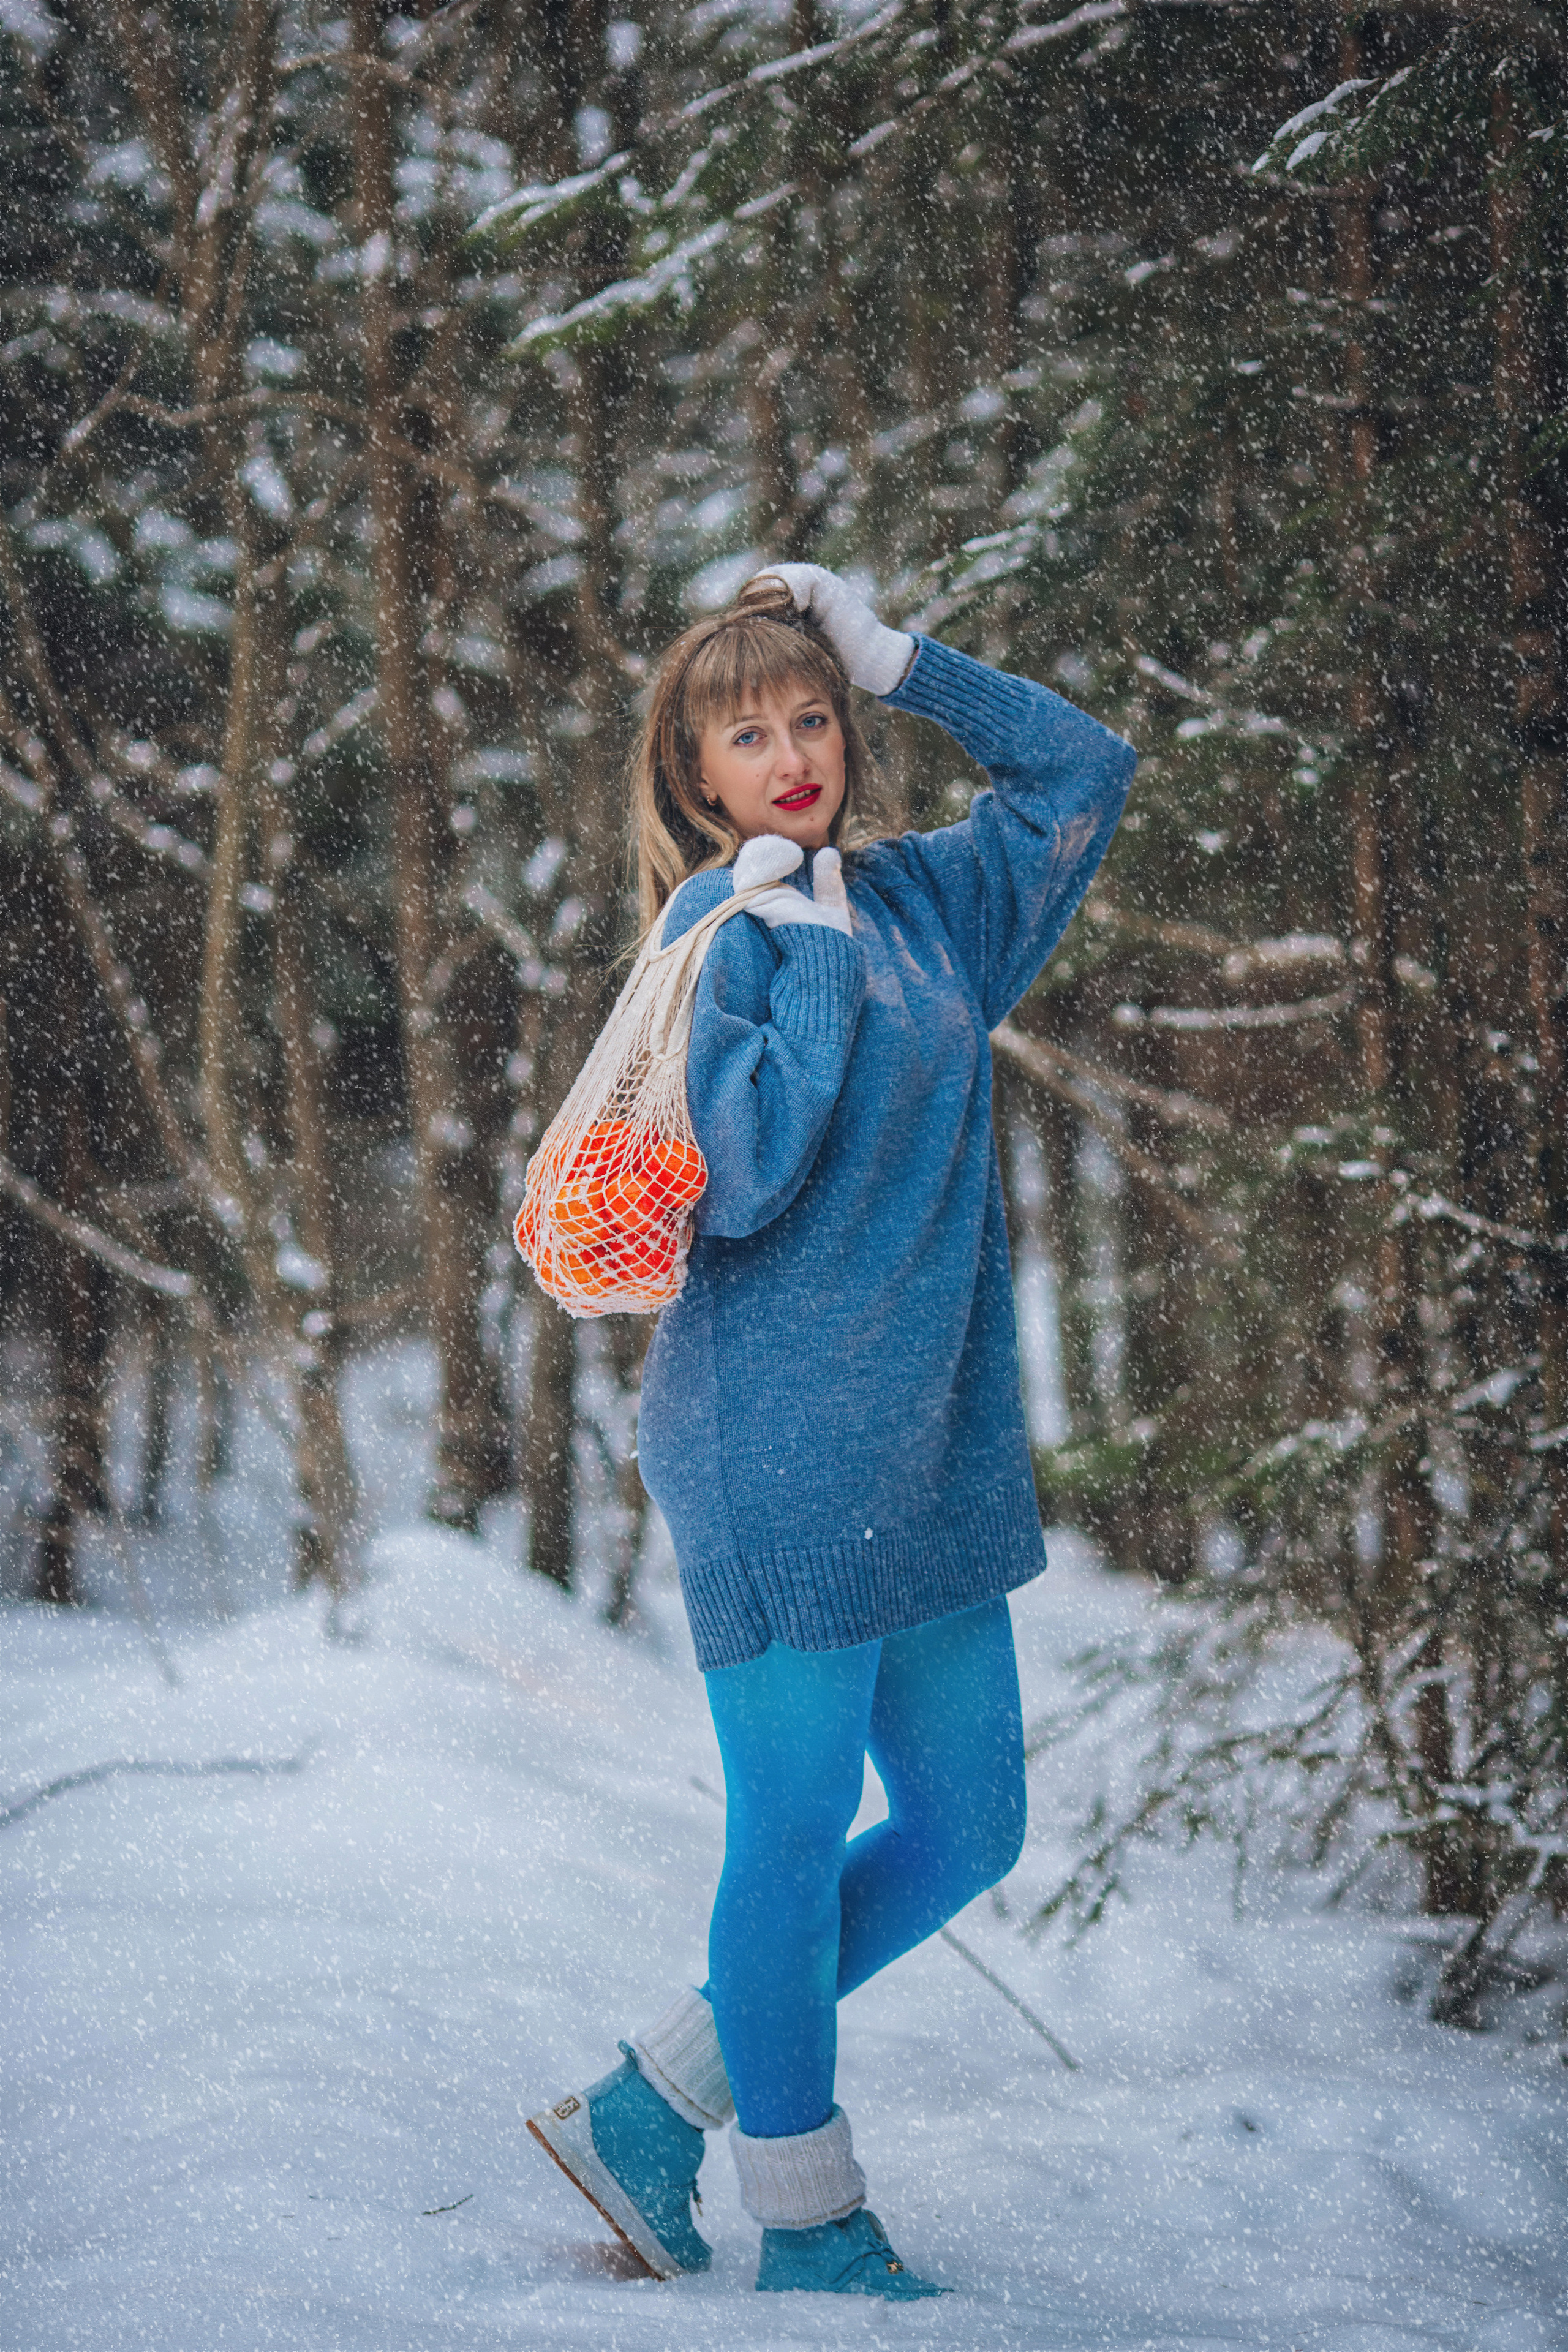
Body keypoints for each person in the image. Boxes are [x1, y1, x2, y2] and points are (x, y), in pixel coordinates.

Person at [527, 564, 1135, 2298]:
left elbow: (1086, 775)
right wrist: (790, 952)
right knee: (787, 1841)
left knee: (969, 1821)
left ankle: (655, 2101)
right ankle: (810, 2220)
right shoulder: (717, 942)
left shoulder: (935, 907)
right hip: (778, 1447)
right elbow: (759, 1175)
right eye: (749, 731)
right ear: (696, 771)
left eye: (815, 717)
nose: (791, 754)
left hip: (930, 1445)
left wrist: (905, 655)